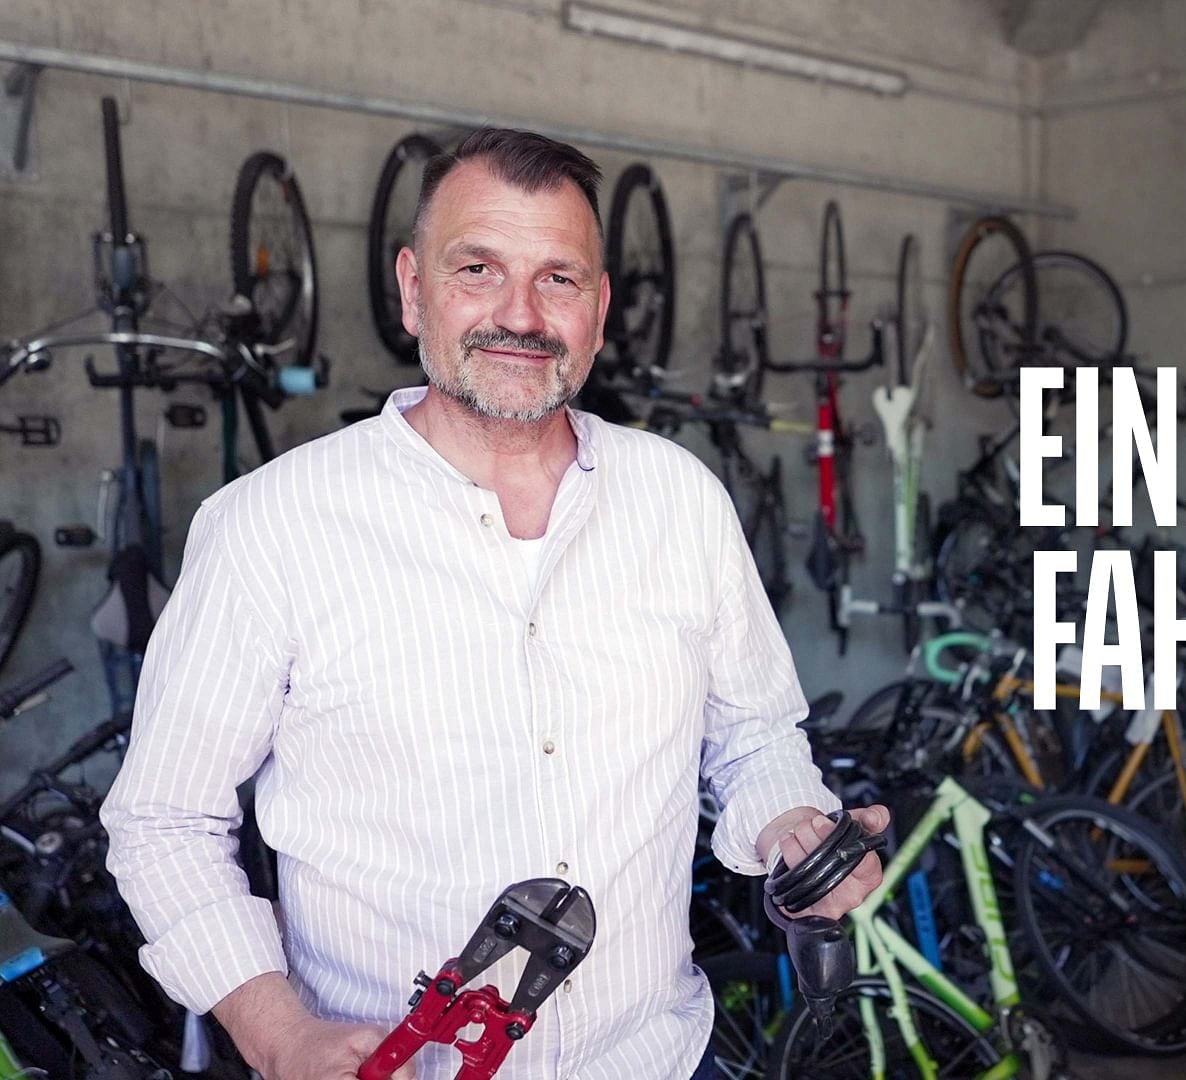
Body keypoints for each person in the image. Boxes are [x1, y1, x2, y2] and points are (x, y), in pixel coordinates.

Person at [99, 128, 887, 1080]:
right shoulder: (270, 526)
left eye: (559, 279)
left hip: (655, 1059)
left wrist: (791, 826)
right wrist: (280, 1035)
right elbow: (166, 822)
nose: (520, 314)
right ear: (413, 289)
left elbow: (755, 735)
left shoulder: (680, 500)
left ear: (599, 310)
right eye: (477, 269)